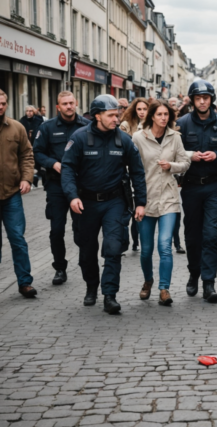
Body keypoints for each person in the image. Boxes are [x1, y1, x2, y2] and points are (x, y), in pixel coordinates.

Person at [61, 95, 147, 314]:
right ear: (97, 116)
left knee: (113, 248)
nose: (116, 119)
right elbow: (68, 168)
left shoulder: (124, 140)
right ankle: (91, 286)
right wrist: (72, 196)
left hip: (114, 203)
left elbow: (137, 172)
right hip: (86, 203)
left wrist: (140, 203)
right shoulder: (79, 138)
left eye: (117, 114)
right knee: (87, 249)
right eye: (110, 115)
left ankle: (110, 295)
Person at [176, 79, 217, 303]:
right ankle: (194, 273)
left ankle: (209, 283)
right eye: (198, 98)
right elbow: (171, 151)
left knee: (212, 235)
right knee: (192, 236)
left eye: (206, 97)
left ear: (211, 99)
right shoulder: (181, 124)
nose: (202, 101)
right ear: (192, 100)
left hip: (213, 186)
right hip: (191, 185)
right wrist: (189, 155)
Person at [133, 100, 190, 306]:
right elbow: (132, 167)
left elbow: (185, 162)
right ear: (152, 116)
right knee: (146, 249)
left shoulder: (175, 137)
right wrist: (136, 198)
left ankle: (164, 288)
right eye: (159, 114)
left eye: (166, 114)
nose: (163, 118)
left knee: (165, 245)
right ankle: (148, 280)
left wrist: (171, 165)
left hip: (168, 199)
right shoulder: (139, 137)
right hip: (145, 199)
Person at [33, 91, 89, 285]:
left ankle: (85, 263)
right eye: (64, 104)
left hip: (79, 186)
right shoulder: (47, 127)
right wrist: (52, 164)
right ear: (58, 107)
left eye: (71, 103)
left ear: (76, 103)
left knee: (81, 229)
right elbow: (37, 152)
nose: (68, 106)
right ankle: (60, 268)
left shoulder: (86, 126)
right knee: (56, 230)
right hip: (56, 185)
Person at [0, 91, 38, 299]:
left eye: (3, 103)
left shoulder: (17, 128)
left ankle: (25, 282)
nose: (0, 107)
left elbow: (27, 155)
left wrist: (26, 178)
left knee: (18, 239)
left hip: (12, 193)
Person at [120, 98, 150, 252]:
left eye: (145, 109)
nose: (142, 112)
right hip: (129, 170)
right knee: (129, 206)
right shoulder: (125, 126)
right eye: (139, 109)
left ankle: (139, 239)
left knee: (141, 206)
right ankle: (129, 241)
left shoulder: (152, 125)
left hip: (146, 170)